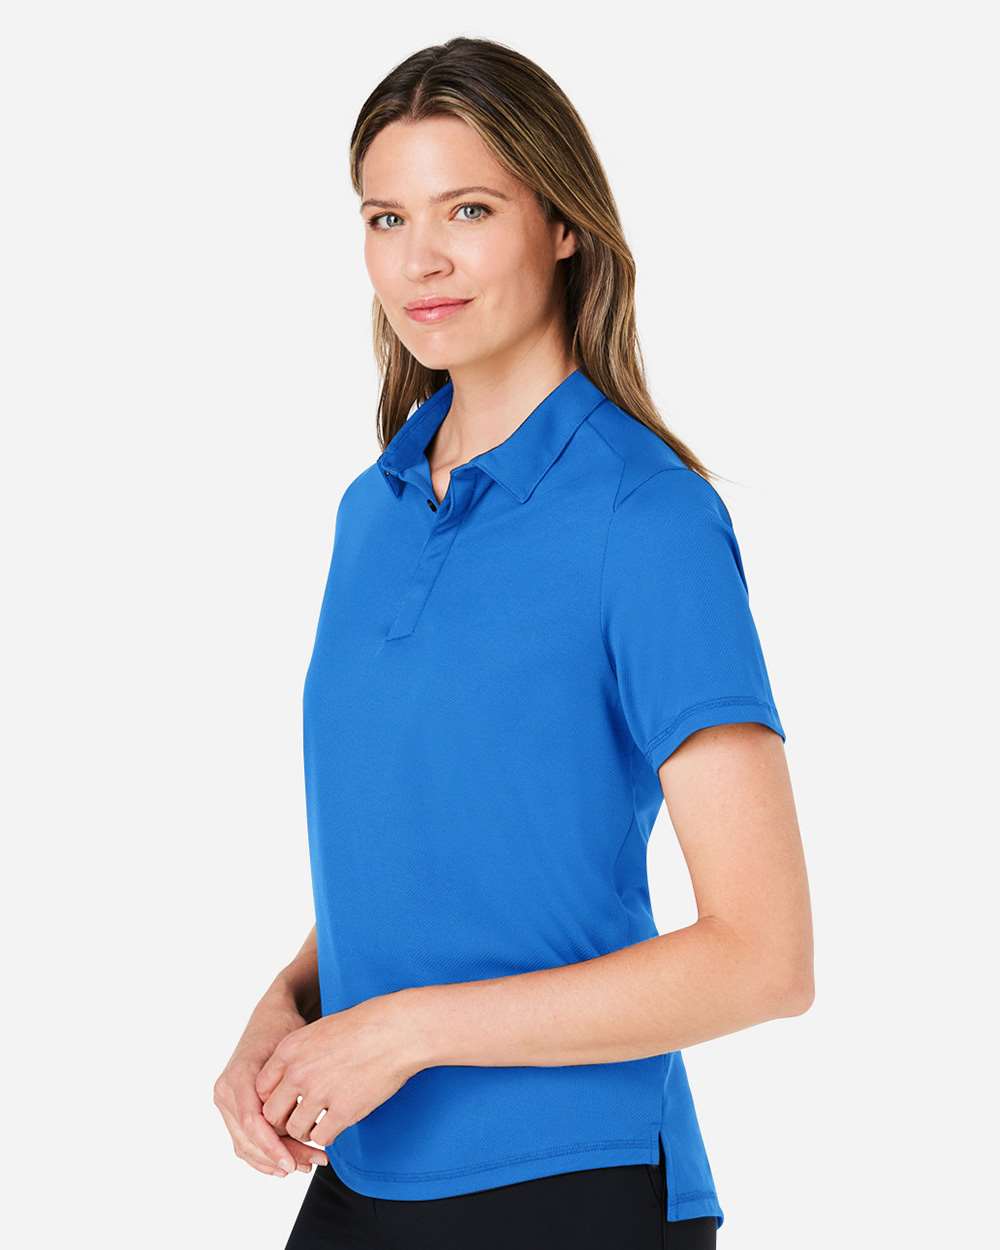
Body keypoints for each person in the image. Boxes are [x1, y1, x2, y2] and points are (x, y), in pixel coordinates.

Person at [213, 35, 814, 1250]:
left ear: (563, 224)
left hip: (572, 1182)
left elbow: (765, 956)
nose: (419, 259)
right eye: (386, 217)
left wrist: (403, 1030)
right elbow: (448, 850)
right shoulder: (373, 510)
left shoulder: (646, 517)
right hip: (366, 1171)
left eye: (469, 209)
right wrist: (289, 1003)